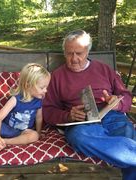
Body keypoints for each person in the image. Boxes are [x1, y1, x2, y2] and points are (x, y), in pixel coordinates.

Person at [43, 30, 136, 180]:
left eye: (79, 53)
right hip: (82, 121)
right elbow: (48, 110)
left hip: (111, 114)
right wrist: (68, 115)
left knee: (127, 132)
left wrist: (117, 103)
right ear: (64, 52)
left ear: (87, 51)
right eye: (69, 53)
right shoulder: (57, 76)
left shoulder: (104, 69)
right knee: (78, 137)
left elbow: (125, 96)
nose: (74, 59)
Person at [0, 63, 50, 152]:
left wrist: (39, 132)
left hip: (22, 133)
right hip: (6, 129)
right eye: (42, 87)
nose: (45, 90)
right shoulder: (15, 99)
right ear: (28, 85)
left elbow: (39, 118)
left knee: (34, 136)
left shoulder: (38, 101)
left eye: (46, 87)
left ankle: (3, 142)